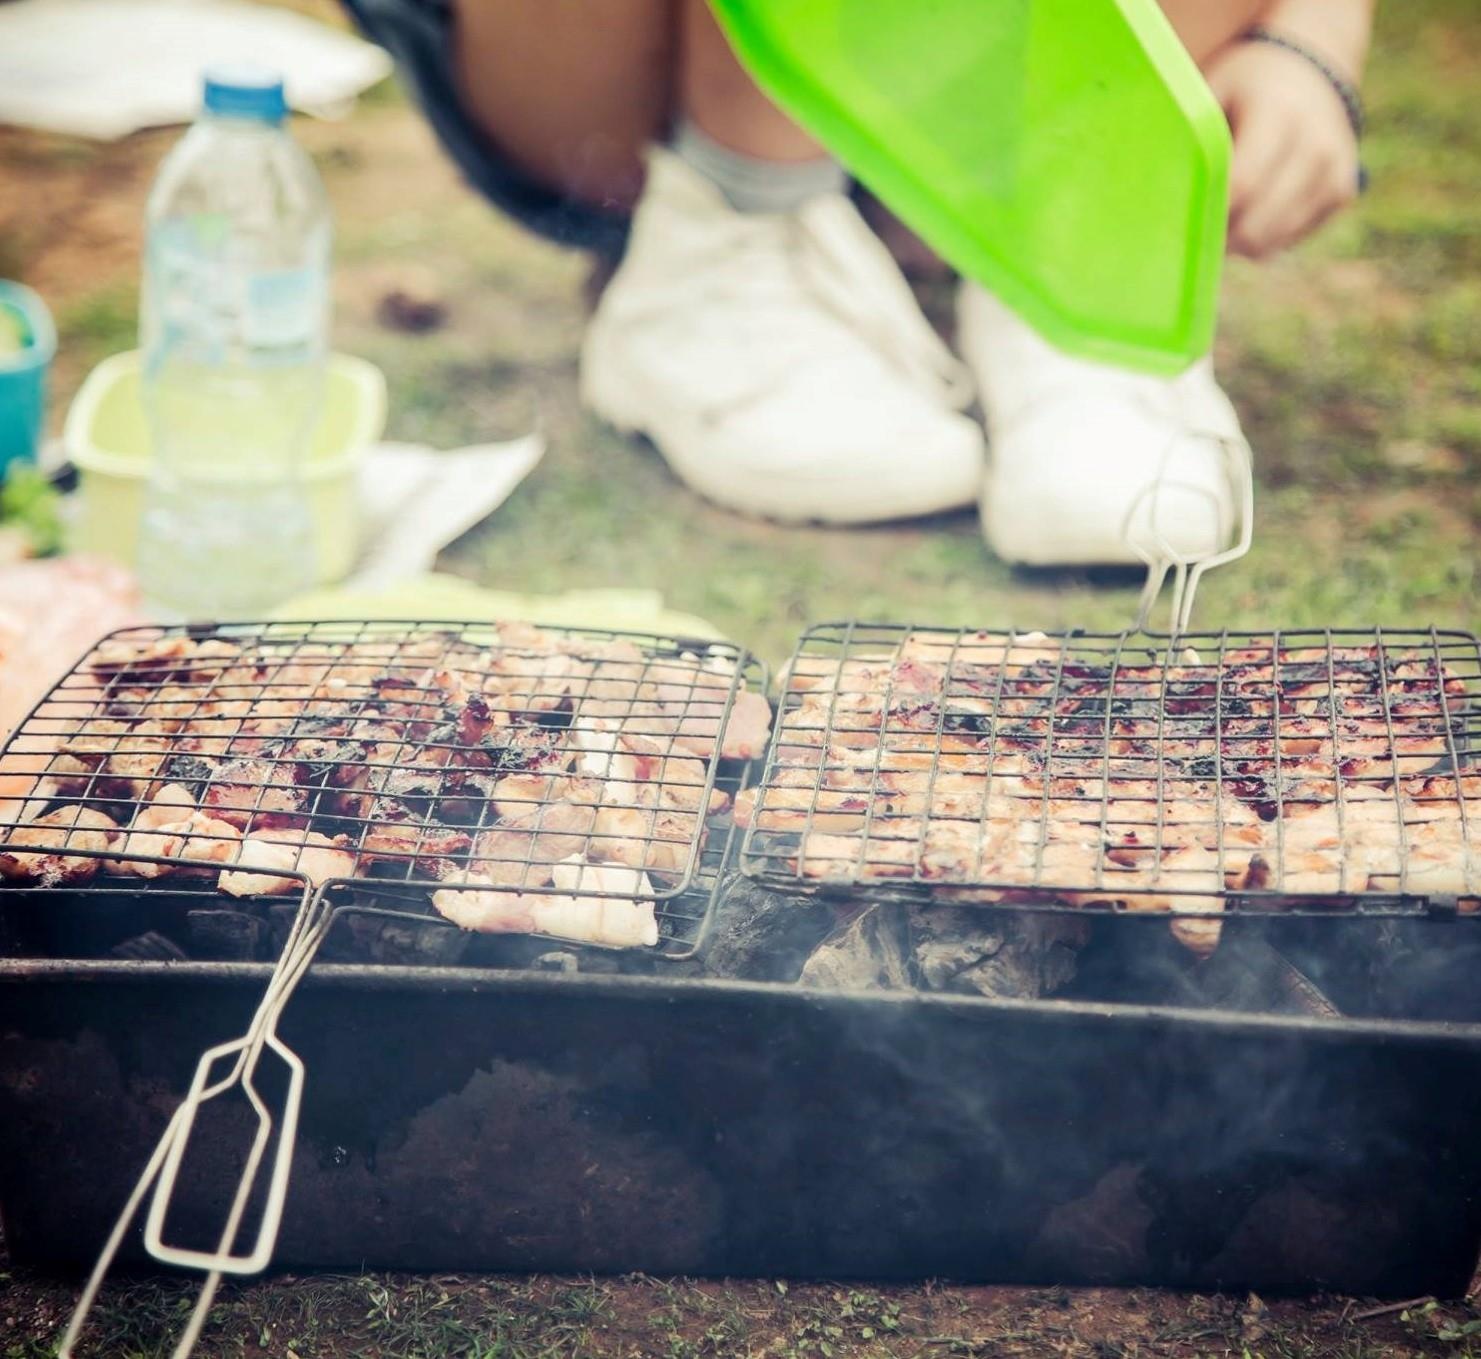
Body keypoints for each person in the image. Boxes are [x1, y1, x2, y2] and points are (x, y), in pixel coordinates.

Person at [345, 0, 1372, 563]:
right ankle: (725, 237)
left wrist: (1308, 40)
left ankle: (1067, 279)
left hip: (989, 105)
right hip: (605, 77)